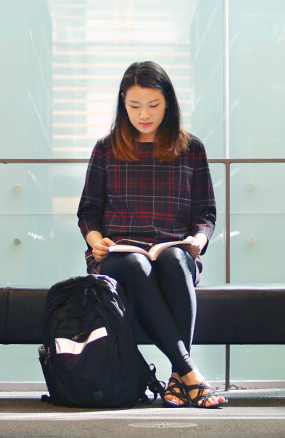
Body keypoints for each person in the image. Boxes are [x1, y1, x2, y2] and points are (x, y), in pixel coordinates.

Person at [76, 61, 227, 409]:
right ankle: (189, 374)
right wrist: (96, 241)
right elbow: (88, 213)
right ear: (122, 105)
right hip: (118, 255)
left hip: (172, 249)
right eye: (134, 106)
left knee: (175, 260)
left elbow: (205, 214)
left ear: (169, 104)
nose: (143, 115)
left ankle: (178, 380)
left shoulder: (191, 149)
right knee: (134, 264)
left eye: (153, 106)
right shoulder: (106, 148)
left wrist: (197, 242)